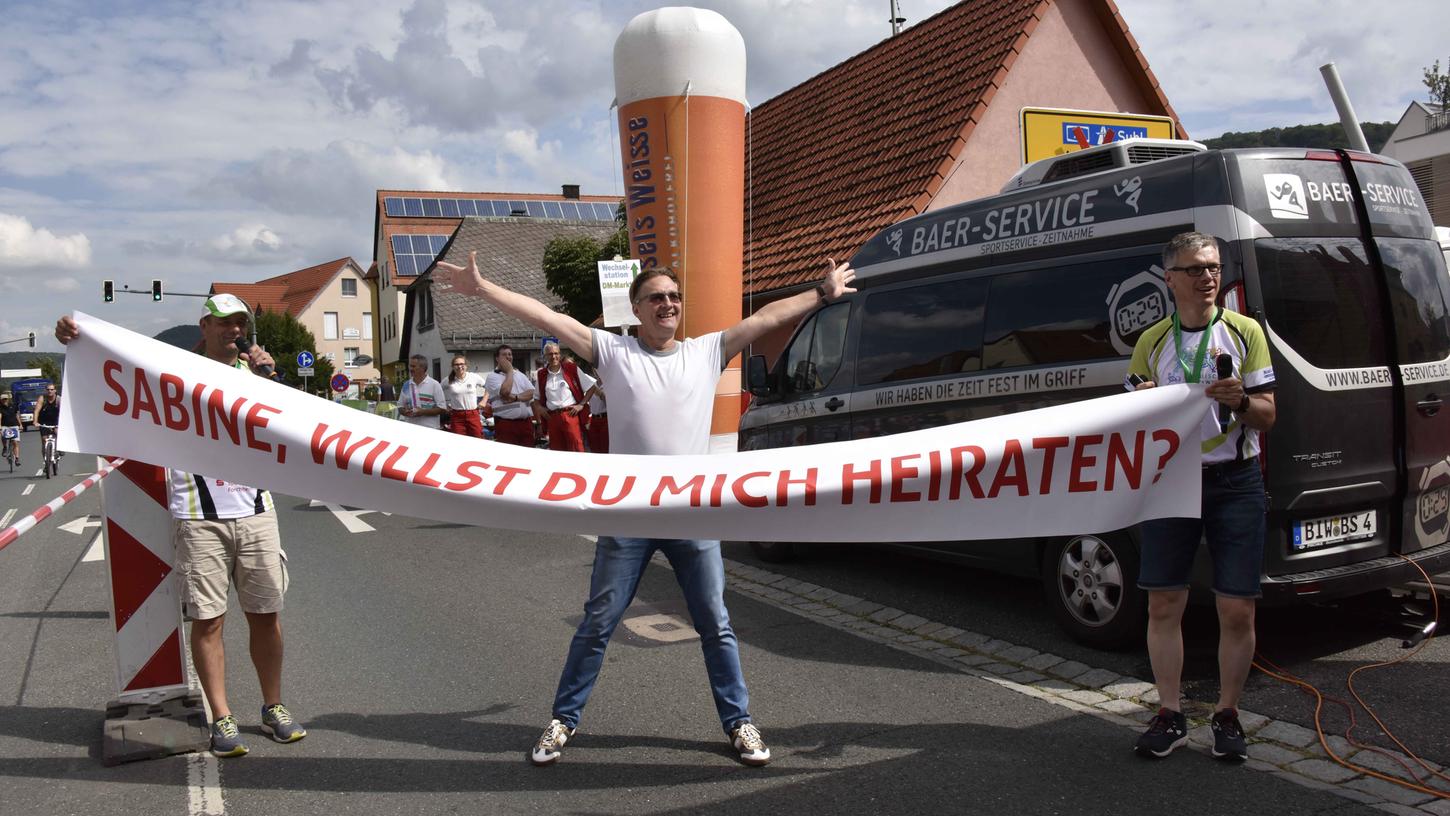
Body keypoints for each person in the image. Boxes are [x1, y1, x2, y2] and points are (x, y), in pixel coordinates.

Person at [434, 249, 856, 767]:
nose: (668, 304)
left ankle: (739, 722)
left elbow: (765, 317)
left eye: (674, 297)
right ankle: (563, 720)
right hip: (628, 517)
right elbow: (545, 317)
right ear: (636, 309)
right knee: (597, 624)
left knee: (716, 625)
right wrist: (484, 290)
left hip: (689, 516)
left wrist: (821, 292)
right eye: (656, 297)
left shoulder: (705, 352)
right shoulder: (613, 352)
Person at [54, 294, 307, 758]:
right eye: (224, 323)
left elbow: (296, 424)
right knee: (209, 620)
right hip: (198, 515)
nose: (234, 330)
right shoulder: (176, 375)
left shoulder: (259, 375)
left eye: (240, 323)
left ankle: (274, 706)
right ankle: (222, 715)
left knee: (266, 616)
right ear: (204, 326)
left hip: (255, 511)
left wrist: (278, 376)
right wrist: (77, 338)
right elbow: (120, 371)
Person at [1126, 231, 1276, 762]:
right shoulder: (1150, 342)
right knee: (1164, 601)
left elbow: (1268, 416)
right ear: (1170, 279)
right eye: (1193, 269)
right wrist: (1142, 404)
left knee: (1237, 608)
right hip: (1172, 481)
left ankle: (1228, 714)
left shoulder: (1244, 331)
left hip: (1235, 479)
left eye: (1212, 266)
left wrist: (1241, 403)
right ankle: (1170, 714)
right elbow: (1132, 423)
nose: (1207, 277)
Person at [535, 342, 594, 452]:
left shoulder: (571, 369)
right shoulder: (541, 374)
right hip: (552, 417)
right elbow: (536, 398)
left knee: (576, 449)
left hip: (570, 415)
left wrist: (581, 405)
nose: (554, 357)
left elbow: (591, 387)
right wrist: (540, 408)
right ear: (545, 356)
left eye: (556, 353)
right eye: (550, 354)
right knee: (557, 452)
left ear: (560, 354)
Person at [483, 345, 536, 447]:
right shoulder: (492, 377)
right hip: (506, 424)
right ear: (497, 358)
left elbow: (532, 392)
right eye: (504, 354)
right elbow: (505, 392)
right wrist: (510, 371)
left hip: (526, 424)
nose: (508, 357)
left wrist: (516, 397)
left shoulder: (520, 375)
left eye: (510, 354)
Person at [442, 354, 489, 438]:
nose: (459, 366)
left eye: (462, 364)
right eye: (456, 364)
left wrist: (484, 400)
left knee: (478, 439)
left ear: (466, 366)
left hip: (473, 414)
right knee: (459, 442)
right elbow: (438, 390)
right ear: (453, 367)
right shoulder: (448, 380)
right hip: (457, 416)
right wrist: (444, 406)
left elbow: (488, 386)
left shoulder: (473, 377)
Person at [398, 354, 447, 430]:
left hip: (430, 428)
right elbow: (400, 406)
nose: (410, 368)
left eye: (413, 366)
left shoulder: (434, 384)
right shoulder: (406, 385)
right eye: (410, 366)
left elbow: (442, 409)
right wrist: (405, 412)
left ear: (423, 368)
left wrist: (423, 412)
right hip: (410, 428)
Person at [35, 383, 62, 463]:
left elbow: (63, 411)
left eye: (51, 389)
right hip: (44, 421)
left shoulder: (58, 399)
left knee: (57, 433)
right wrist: (35, 421)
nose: (50, 391)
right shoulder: (42, 398)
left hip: (55, 420)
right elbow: (36, 410)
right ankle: (46, 463)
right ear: (45, 390)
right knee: (44, 441)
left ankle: (60, 448)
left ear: (55, 390)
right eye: (48, 389)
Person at [583, 366, 608, 454]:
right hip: (593, 420)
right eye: (595, 369)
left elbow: (613, 404)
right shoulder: (591, 385)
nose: (597, 371)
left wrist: (600, 394)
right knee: (595, 450)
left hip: (606, 420)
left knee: (605, 449)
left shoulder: (609, 384)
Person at [0, 393, 19, 466]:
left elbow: (16, 415)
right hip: (5, 426)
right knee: (3, 436)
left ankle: (17, 459)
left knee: (15, 442)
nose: (4, 400)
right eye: (3, 399)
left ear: (8, 399)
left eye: (5, 399)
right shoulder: (0, 407)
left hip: (14, 425)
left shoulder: (13, 406)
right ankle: (5, 447)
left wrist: (20, 425)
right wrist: (0, 427)